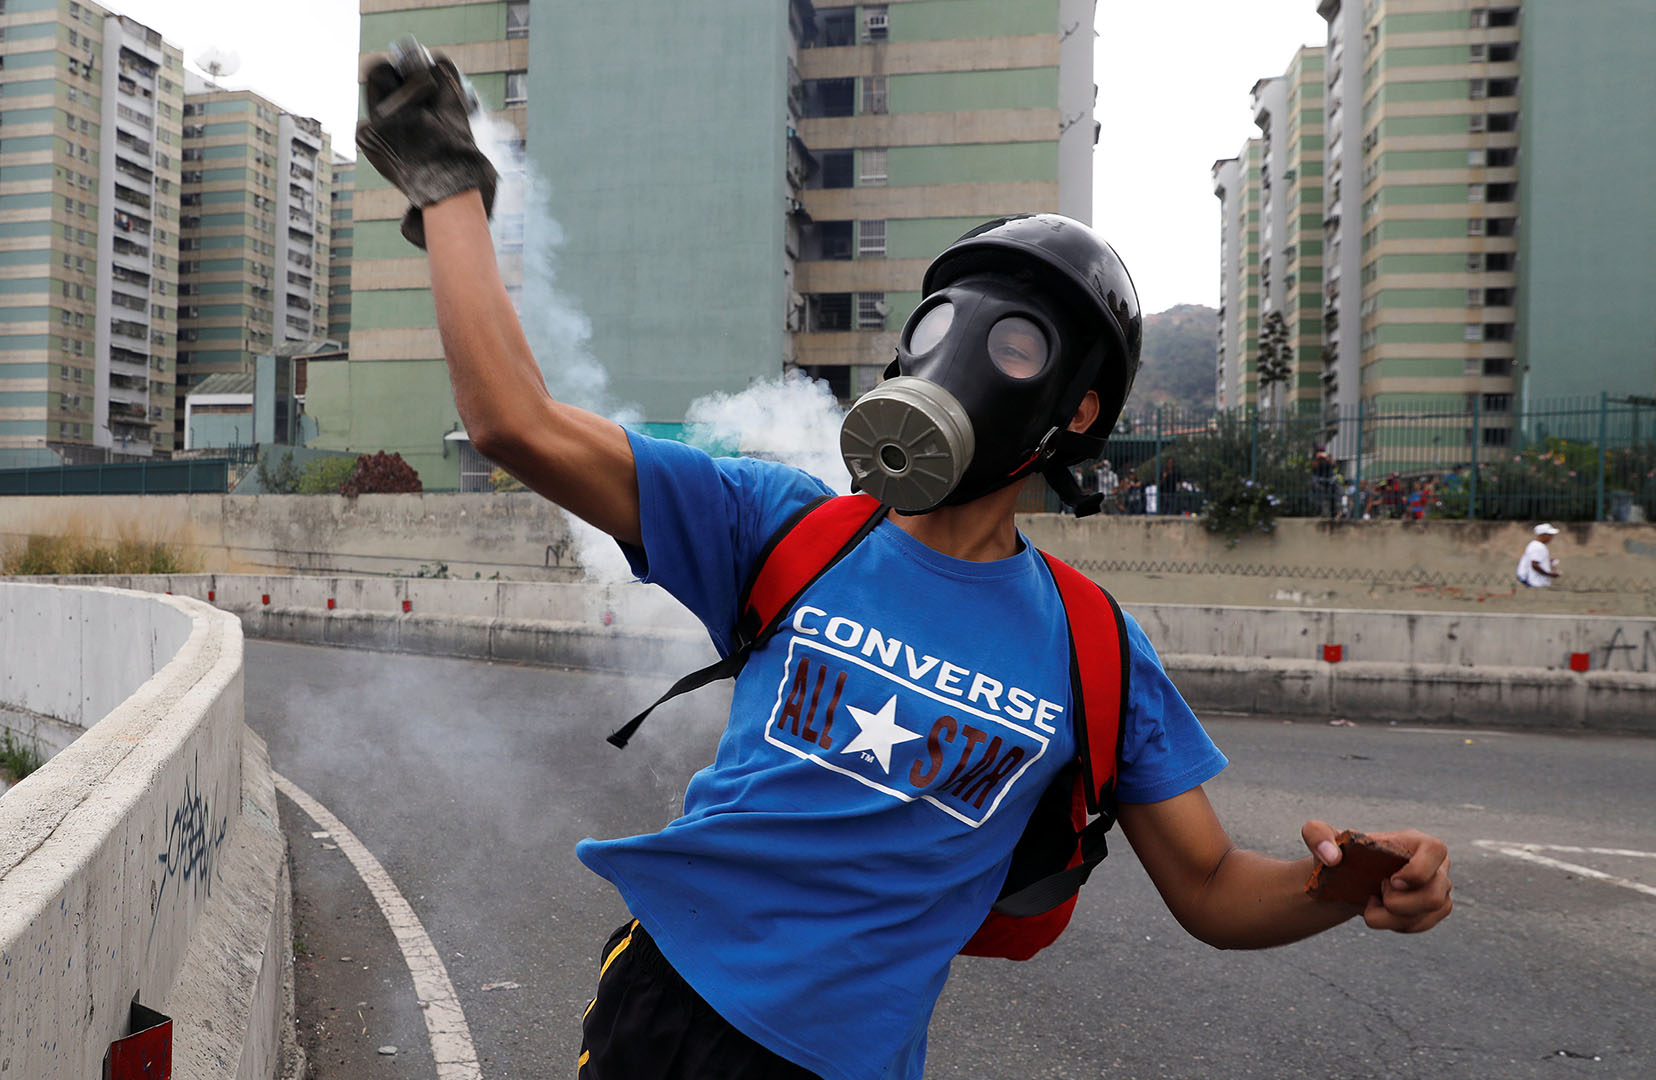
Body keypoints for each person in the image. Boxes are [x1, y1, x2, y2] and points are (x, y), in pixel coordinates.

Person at [357, 42, 1454, 1080]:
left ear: (1075, 411)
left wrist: (1342, 887)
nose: (964, 361)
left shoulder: (1091, 646)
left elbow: (1213, 888)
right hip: (671, 1011)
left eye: (1015, 344)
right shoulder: (786, 525)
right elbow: (516, 424)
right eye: (945, 327)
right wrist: (451, 188)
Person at [1517, 523, 1562, 587]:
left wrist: (1548, 561)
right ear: (1543, 535)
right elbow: (1534, 565)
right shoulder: (1537, 546)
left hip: (1536, 582)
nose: (1552, 537)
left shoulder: (1536, 545)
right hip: (1535, 582)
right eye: (1550, 535)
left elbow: (1536, 561)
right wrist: (1550, 574)